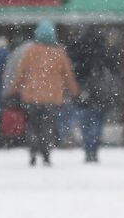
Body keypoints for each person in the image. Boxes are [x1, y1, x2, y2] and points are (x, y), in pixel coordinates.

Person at [7, 21, 80, 166]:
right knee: (47, 126)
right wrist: (74, 91)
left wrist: (13, 90)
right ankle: (46, 153)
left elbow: (21, 74)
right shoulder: (59, 53)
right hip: (52, 98)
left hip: (31, 96)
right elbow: (67, 75)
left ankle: (33, 151)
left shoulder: (30, 51)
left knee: (33, 125)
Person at [71, 33, 118, 163]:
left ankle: (88, 148)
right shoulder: (104, 56)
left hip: (84, 95)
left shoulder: (80, 56)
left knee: (85, 124)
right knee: (96, 123)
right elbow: (112, 75)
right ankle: (93, 148)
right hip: (100, 95)